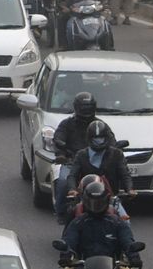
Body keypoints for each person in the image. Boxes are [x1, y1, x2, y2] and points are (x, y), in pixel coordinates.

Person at [52, 93, 109, 223]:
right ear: (77, 108)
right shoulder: (67, 124)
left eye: (88, 107)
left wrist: (116, 150)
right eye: (84, 107)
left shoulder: (100, 125)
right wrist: (61, 155)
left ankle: (115, 208)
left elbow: (111, 140)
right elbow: (58, 138)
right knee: (62, 182)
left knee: (111, 181)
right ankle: (61, 212)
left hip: (96, 162)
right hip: (72, 162)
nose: (86, 111)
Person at [61, 179, 140, 266]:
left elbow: (127, 240)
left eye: (99, 203)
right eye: (92, 203)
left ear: (106, 201)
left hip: (113, 265)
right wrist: (66, 254)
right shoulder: (78, 222)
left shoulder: (117, 222)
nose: (96, 206)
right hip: (83, 265)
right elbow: (69, 239)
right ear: (86, 201)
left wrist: (134, 256)